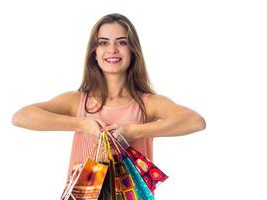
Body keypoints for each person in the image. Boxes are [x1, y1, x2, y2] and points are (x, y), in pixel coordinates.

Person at [12, 13, 206, 178]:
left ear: (133, 51)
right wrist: (82, 124)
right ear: (94, 53)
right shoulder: (78, 101)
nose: (112, 49)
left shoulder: (148, 104)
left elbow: (195, 121)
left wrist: (132, 131)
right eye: (103, 43)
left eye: (121, 42)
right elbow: (21, 117)